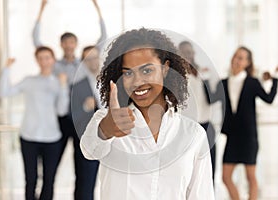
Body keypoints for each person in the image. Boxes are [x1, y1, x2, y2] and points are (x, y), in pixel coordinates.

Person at [80, 28, 215, 200]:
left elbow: (201, 196)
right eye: (128, 73)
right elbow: (89, 150)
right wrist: (106, 129)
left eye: (147, 71)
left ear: (165, 68)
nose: (137, 82)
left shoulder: (193, 135)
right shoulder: (108, 120)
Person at [32, 1, 107, 199]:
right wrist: (41, 10)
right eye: (65, 43)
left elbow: (103, 40)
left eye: (72, 42)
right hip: (61, 119)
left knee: (82, 165)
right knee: (51, 166)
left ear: (75, 43)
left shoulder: (83, 63)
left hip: (80, 119)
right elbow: (37, 41)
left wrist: (97, 9)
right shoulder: (55, 65)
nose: (69, 45)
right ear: (61, 45)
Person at [203, 46, 278, 200]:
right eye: (235, 56)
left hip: (249, 137)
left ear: (247, 63)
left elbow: (269, 98)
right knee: (225, 176)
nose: (236, 60)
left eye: (241, 58)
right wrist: (205, 78)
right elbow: (210, 99)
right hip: (232, 137)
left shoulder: (252, 82)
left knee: (250, 177)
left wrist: (276, 78)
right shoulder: (223, 83)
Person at [0, 47, 69, 200]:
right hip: (29, 137)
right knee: (30, 179)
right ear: (37, 60)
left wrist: (63, 87)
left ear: (53, 60)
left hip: (52, 138)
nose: (44, 61)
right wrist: (7, 69)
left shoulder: (58, 83)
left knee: (49, 180)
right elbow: (3, 92)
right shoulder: (29, 81)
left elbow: (62, 110)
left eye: (47, 58)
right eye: (41, 58)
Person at [178, 41, 217, 182]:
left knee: (209, 171)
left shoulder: (202, 72)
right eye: (184, 52)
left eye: (190, 51)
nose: (188, 55)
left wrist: (207, 79)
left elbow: (212, 99)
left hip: (206, 126)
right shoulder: (176, 76)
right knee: (189, 172)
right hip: (187, 127)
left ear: (194, 54)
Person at [70, 46, 101, 200]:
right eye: (88, 59)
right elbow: (72, 116)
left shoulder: (113, 81)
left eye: (95, 57)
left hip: (116, 142)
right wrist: (84, 107)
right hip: (89, 142)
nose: (93, 61)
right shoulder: (78, 86)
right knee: (85, 185)